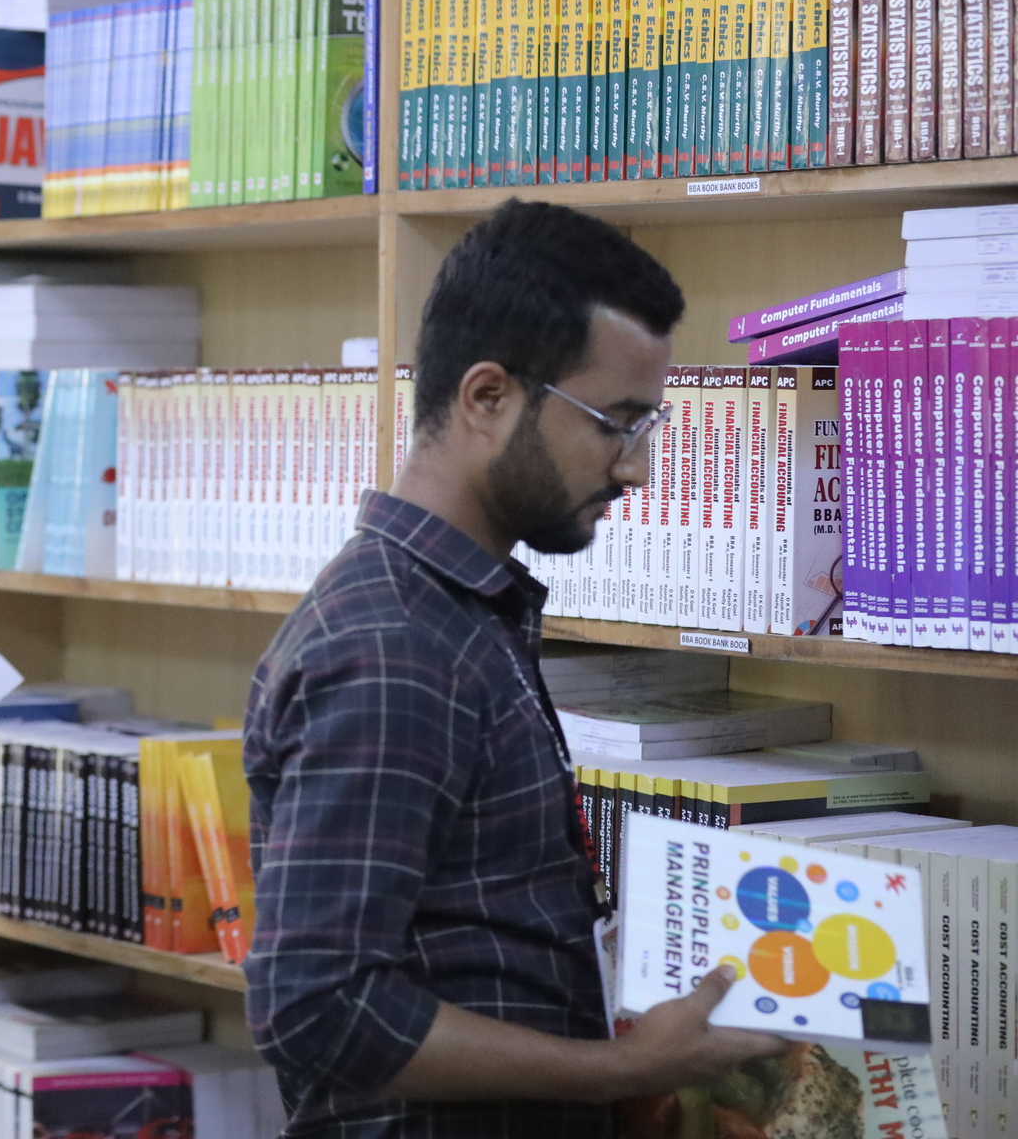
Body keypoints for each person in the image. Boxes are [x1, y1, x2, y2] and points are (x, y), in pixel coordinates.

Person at [242, 201, 787, 1138]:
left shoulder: (461, 616)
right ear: (487, 398)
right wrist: (621, 1071)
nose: (637, 470)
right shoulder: (393, 646)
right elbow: (319, 1008)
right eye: (616, 424)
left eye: (649, 426)